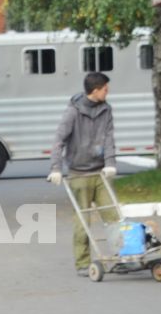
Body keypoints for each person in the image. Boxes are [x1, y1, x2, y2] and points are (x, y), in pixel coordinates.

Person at [48, 72, 118, 276]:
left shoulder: (106, 109)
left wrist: (110, 163)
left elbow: (108, 138)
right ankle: (82, 263)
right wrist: (56, 168)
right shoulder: (73, 112)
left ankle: (123, 256)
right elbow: (58, 140)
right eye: (105, 88)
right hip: (79, 174)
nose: (108, 91)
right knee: (83, 221)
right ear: (96, 90)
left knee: (114, 217)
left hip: (100, 173)